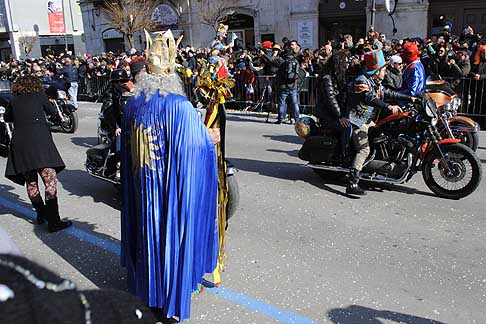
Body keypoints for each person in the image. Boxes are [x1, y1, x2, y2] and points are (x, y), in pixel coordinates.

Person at [120, 30, 219, 322]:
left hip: (142, 184)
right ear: (172, 74)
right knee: (171, 233)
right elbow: (195, 147)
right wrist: (209, 138)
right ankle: (170, 300)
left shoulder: (133, 104)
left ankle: (147, 292)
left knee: (148, 232)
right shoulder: (179, 106)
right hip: (168, 187)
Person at [4, 75, 72, 232]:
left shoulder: (14, 100)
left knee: (31, 182)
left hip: (21, 145)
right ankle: (54, 221)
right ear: (35, 85)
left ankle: (41, 214)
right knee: (50, 181)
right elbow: (53, 112)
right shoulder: (40, 95)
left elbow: (7, 118)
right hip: (40, 143)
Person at [346, 50, 415, 196]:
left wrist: (411, 99)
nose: (385, 71)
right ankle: (352, 183)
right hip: (357, 121)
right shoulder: (361, 81)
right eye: (384, 69)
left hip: (370, 120)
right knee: (364, 149)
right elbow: (368, 98)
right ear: (377, 71)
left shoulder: (376, 82)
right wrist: (388, 106)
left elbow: (390, 93)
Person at [315, 50, 352, 158]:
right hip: (327, 116)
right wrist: (339, 116)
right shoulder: (327, 79)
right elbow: (330, 99)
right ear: (338, 64)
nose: (347, 65)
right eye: (345, 63)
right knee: (347, 127)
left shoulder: (338, 78)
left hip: (333, 114)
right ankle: (344, 154)